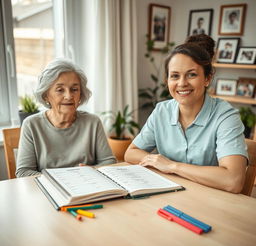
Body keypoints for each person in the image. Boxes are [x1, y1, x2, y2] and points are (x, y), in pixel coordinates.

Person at [125, 34, 248, 193]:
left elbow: (233, 180)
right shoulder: (162, 110)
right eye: (175, 76)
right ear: (167, 80)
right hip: (169, 193)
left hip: (210, 201)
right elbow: (130, 153)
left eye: (192, 74)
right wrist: (157, 161)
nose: (182, 83)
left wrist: (171, 166)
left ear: (207, 78)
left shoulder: (226, 116)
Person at [16, 58, 116, 177]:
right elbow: (24, 172)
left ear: (80, 94)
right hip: (48, 192)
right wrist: (62, 181)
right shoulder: (31, 125)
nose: (69, 96)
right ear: (46, 95)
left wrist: (93, 170)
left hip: (87, 189)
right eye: (60, 90)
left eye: (74, 89)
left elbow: (109, 162)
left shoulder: (93, 122)